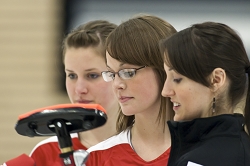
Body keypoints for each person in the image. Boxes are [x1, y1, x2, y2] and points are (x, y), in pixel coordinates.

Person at [85, 14, 177, 165]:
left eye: (128, 72)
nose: (117, 85)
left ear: (164, 68)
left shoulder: (206, 151)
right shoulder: (96, 158)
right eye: (111, 74)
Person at [28, 20, 120, 165]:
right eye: (72, 76)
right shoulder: (47, 152)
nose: (79, 89)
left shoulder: (151, 150)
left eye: (92, 75)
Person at [160, 21, 250, 166]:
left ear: (216, 79)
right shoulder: (238, 145)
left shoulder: (200, 161)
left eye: (177, 79)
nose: (165, 91)